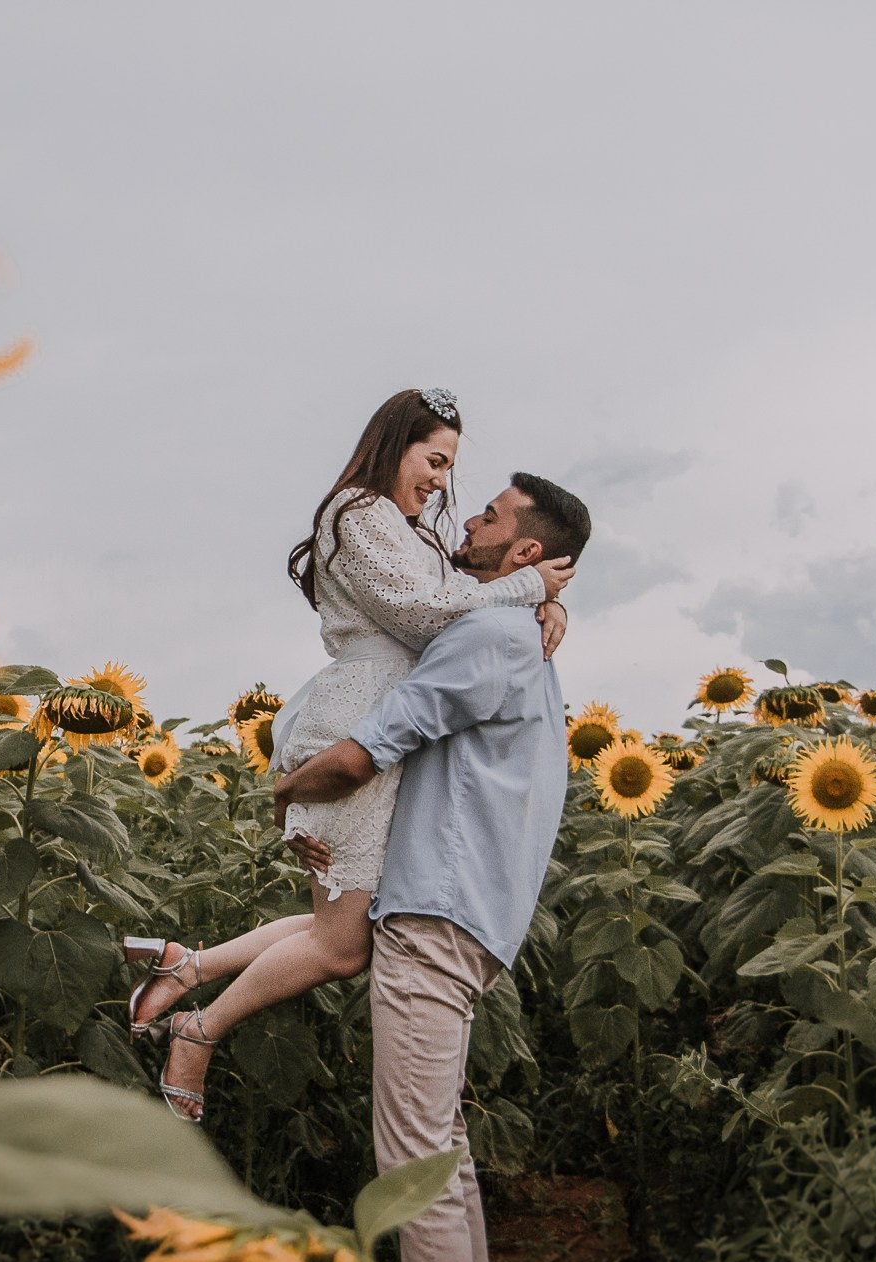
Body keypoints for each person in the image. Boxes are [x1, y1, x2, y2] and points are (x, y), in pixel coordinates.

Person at [122, 388, 574, 1121]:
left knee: (344, 925)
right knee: (341, 946)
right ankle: (197, 1031)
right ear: (395, 445)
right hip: (357, 721)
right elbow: (425, 612)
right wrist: (530, 584)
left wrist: (544, 602)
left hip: (385, 723)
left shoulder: (409, 529)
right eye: (433, 459)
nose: (440, 480)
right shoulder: (356, 513)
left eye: (449, 466)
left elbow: (466, 594)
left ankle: (188, 966)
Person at [271, 471, 591, 1262]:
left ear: (524, 551)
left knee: (413, 1163)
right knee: (438, 1149)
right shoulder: (513, 629)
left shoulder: (489, 631)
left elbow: (367, 751)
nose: (470, 519)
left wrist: (284, 792)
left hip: (437, 916)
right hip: (466, 915)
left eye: (489, 515)